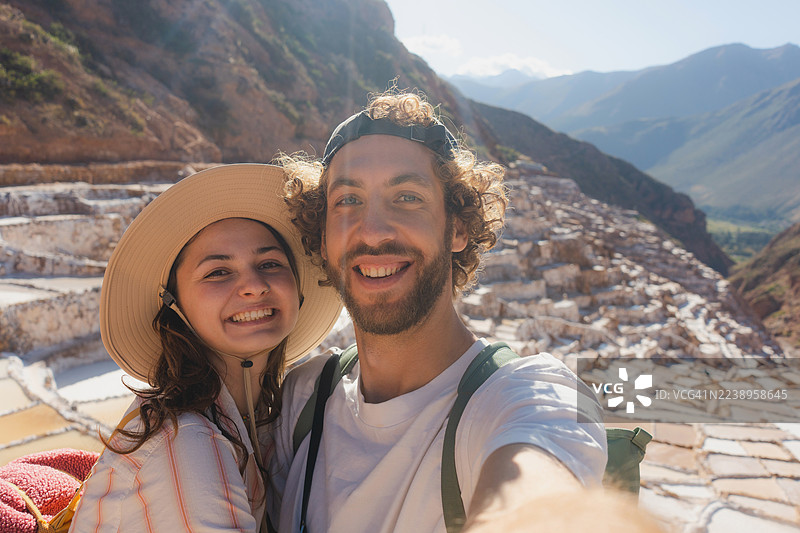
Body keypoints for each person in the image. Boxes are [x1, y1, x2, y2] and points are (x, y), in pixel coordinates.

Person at [269, 91, 608, 532]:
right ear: (322, 237)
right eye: (347, 201)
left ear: (458, 228)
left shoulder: (524, 397)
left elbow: (539, 498)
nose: (371, 232)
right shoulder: (302, 399)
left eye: (407, 197)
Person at [70, 164, 342, 532]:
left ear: (299, 287)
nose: (254, 286)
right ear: (173, 302)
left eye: (270, 263)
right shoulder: (188, 444)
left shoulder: (263, 419)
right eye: (218, 272)